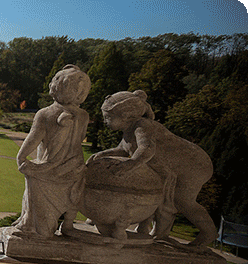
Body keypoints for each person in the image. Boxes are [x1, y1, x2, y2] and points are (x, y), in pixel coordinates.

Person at [88, 90, 216, 247]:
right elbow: (123, 149)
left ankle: (208, 233)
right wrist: (101, 154)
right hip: (171, 168)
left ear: (125, 115)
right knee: (163, 195)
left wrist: (130, 165)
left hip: (192, 165)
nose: (104, 121)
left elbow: (146, 149)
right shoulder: (129, 129)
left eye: (108, 117)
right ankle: (160, 233)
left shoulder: (143, 126)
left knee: (182, 200)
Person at [14, 65, 91, 238]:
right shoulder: (83, 115)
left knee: (33, 174)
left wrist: (21, 157)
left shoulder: (46, 114)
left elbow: (33, 139)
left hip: (51, 169)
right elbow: (80, 139)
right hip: (75, 167)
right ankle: (67, 223)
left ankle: (34, 225)